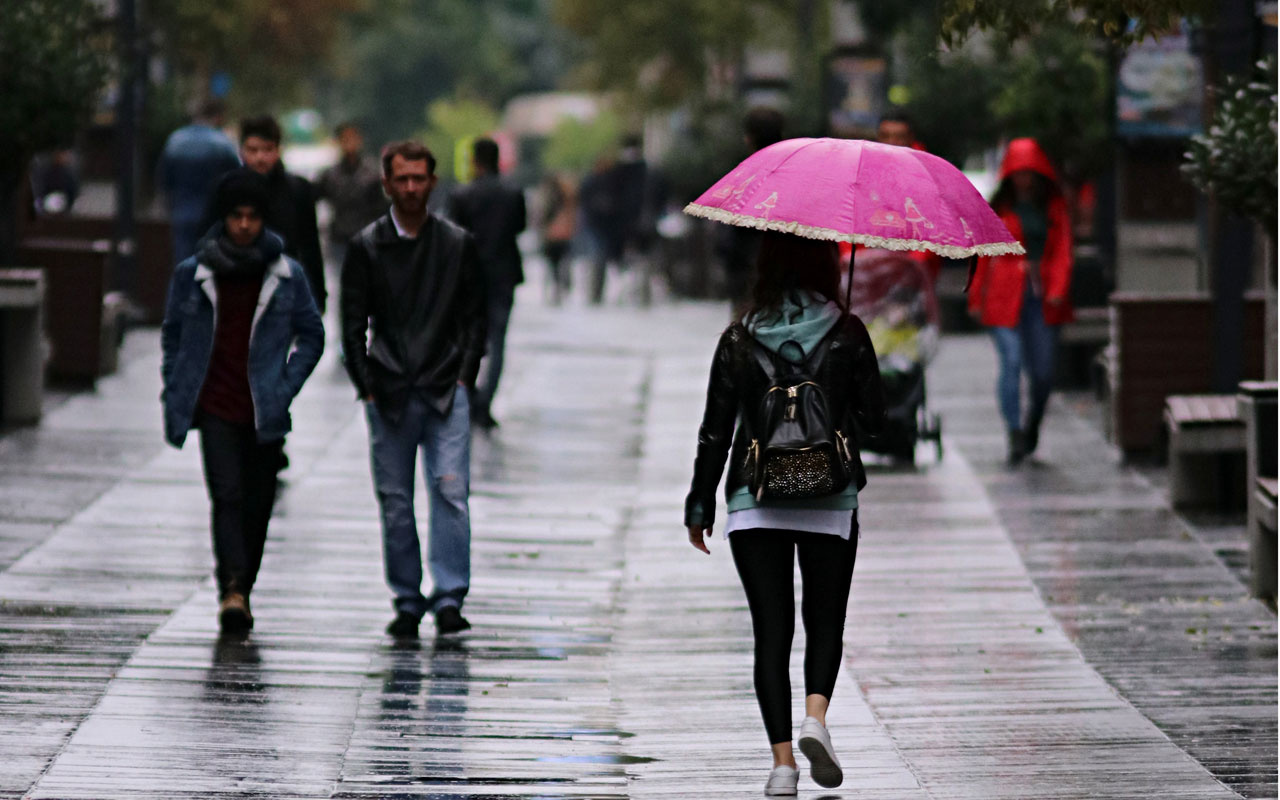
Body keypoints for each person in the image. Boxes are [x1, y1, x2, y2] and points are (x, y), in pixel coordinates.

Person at [684, 232, 885, 796]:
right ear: (825, 263)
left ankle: (781, 767)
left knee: (771, 633)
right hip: (831, 500)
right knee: (826, 621)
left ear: (763, 267)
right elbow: (875, 422)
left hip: (755, 501)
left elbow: (714, 431)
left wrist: (699, 505)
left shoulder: (738, 338)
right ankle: (815, 719)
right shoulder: (847, 331)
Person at [160, 168, 325, 633]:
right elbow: (173, 334)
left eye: (254, 216)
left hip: (264, 408)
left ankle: (243, 587)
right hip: (213, 403)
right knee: (226, 495)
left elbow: (311, 336)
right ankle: (231, 588)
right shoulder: (194, 274)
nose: (246, 225)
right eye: (237, 216)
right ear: (224, 217)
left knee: (257, 503)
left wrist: (285, 385)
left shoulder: (285, 274)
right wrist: (174, 382)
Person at [340, 141, 487, 639]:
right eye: (401, 179)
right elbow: (351, 322)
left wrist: (465, 374)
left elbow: (475, 318)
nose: (410, 188)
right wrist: (366, 385)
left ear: (433, 181)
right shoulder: (366, 247)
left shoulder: (456, 244)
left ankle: (447, 596)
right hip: (390, 388)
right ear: (386, 183)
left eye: (418, 179)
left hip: (445, 385)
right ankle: (407, 597)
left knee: (450, 492)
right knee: (396, 501)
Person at [967, 137, 1073, 465]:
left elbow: (1063, 252)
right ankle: (1014, 431)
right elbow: (983, 255)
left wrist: (1057, 287)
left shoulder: (1053, 207)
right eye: (1018, 172)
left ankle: (1032, 424)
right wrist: (976, 297)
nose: (1023, 179)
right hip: (1003, 295)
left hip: (1042, 298)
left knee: (1042, 373)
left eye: (1029, 172)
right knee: (1011, 362)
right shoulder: (998, 208)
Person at [446, 137, 527, 430]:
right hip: (503, 275)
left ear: (475, 161)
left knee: (468, 340)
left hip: (470, 277)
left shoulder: (461, 195)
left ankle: (470, 395)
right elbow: (520, 226)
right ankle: (485, 404)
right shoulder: (513, 192)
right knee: (498, 340)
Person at [220, 115, 327, 313]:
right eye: (253, 150)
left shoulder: (298, 190)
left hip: (284, 290)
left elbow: (310, 246)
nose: (260, 157)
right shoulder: (226, 189)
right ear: (242, 151)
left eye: (267, 149)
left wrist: (318, 298)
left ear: (277, 150)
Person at [717, 107, 785, 315]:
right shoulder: (792, 177)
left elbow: (725, 241)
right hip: (782, 280)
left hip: (745, 280)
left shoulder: (741, 179)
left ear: (748, 138)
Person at [157, 99, 241, 263]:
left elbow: (164, 179)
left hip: (182, 212)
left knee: (183, 262)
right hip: (213, 215)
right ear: (218, 117)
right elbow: (236, 180)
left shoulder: (175, 140)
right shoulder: (223, 144)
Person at [316, 121, 386, 271]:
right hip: (339, 237)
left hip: (367, 237)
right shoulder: (329, 175)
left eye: (353, 138)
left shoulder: (372, 173)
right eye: (345, 139)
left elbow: (381, 209)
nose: (349, 143)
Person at [539, 172, 577, 303]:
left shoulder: (550, 196)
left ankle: (557, 285)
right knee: (562, 261)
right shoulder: (568, 195)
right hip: (564, 233)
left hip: (552, 234)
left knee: (554, 263)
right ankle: (562, 284)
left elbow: (543, 214)